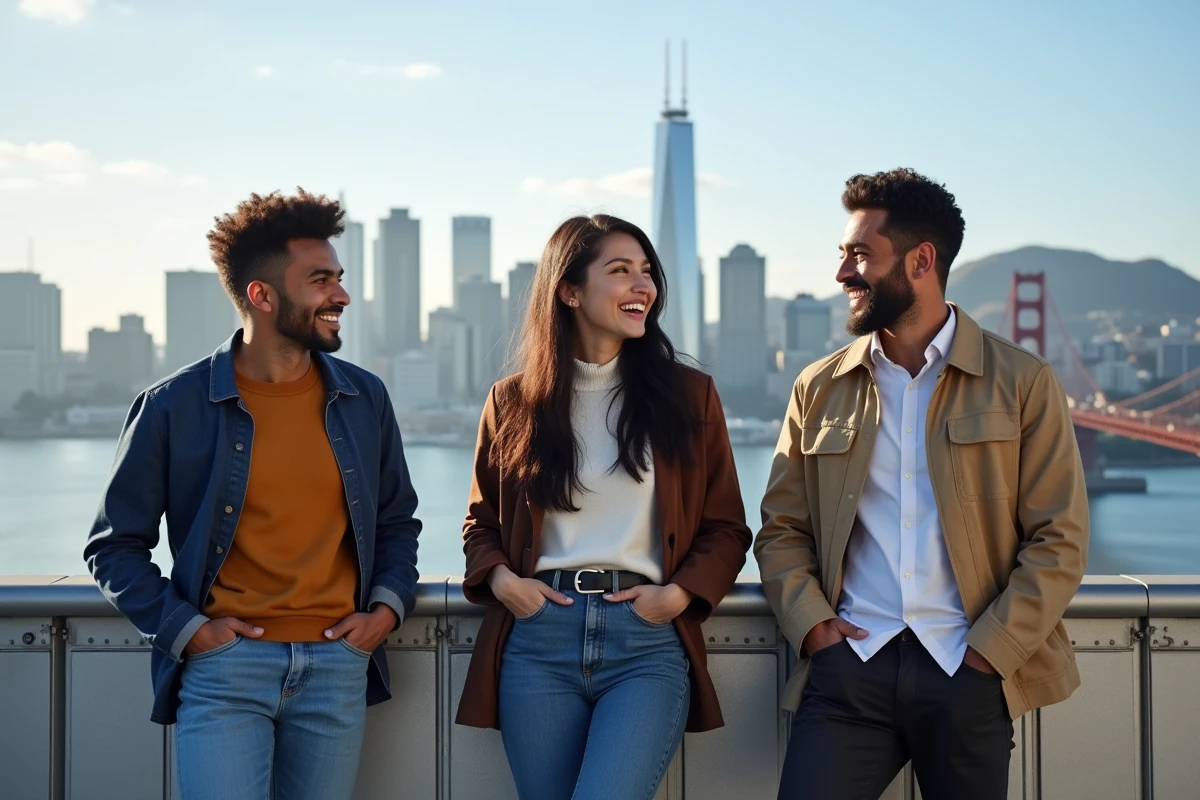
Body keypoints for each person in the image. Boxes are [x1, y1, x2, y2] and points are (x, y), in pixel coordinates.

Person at [755, 168, 1089, 799]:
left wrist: (989, 655)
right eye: (843, 253)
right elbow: (782, 530)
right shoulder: (817, 387)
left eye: (860, 254)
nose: (842, 273)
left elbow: (1060, 538)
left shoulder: (1023, 382)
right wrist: (816, 629)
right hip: (848, 675)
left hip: (970, 672)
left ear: (921, 261)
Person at [84, 188, 421, 800]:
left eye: (339, 278)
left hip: (338, 668)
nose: (341, 296)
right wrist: (189, 631)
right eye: (320, 280)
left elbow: (397, 521)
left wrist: (385, 612)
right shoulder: (172, 406)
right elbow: (114, 546)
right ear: (262, 296)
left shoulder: (364, 398)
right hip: (224, 672)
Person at [454, 214, 752, 799]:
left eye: (647, 272)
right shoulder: (512, 402)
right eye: (620, 271)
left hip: (645, 643)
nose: (644, 286)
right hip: (537, 640)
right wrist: (503, 582)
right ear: (569, 290)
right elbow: (480, 522)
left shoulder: (690, 396)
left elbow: (725, 527)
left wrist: (679, 595)